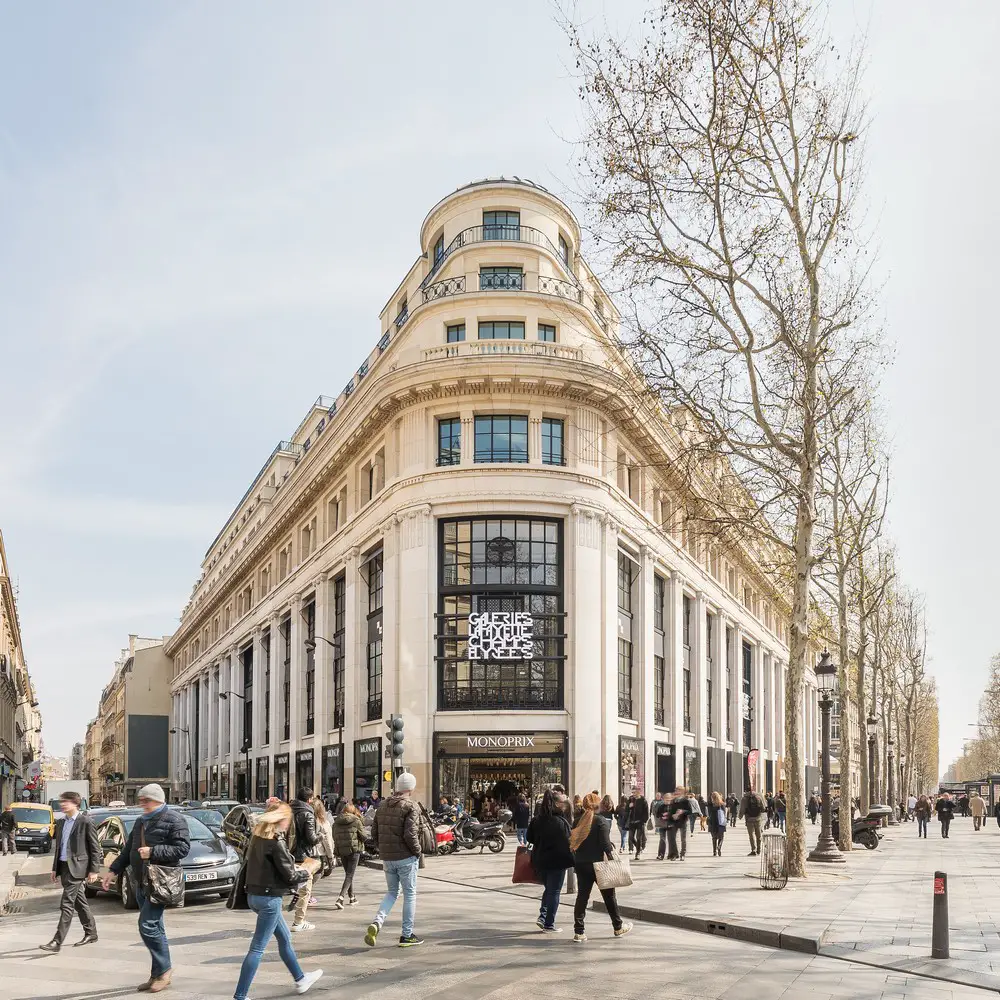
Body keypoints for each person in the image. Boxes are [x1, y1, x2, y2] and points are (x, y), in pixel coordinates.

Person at [102, 783, 189, 993]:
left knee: (147, 926)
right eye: (141, 800)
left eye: (146, 800)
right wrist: (113, 871)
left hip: (159, 883)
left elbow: (182, 848)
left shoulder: (174, 819)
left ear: (158, 800)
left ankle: (165, 971)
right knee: (156, 928)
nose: (143, 804)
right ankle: (156, 974)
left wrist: (153, 851)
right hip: (140, 882)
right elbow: (128, 850)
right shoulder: (141, 821)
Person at [233, 803, 322, 1000]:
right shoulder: (276, 842)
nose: (288, 824)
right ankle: (240, 996)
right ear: (281, 820)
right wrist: (307, 870)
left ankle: (300, 979)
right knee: (257, 949)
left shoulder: (257, 838)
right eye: (287, 819)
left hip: (254, 896)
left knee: (284, 939)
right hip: (269, 899)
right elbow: (290, 876)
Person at [364, 772, 424, 949]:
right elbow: (410, 834)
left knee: (391, 892)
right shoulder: (411, 806)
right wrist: (418, 852)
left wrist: (383, 848)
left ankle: (377, 921)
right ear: (411, 788)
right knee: (410, 894)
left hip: (387, 858)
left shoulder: (382, 805)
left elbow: (374, 832)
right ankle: (406, 935)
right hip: (405, 857)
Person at [38, 791, 101, 952]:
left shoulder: (85, 821)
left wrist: (94, 870)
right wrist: (54, 868)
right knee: (79, 902)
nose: (62, 804)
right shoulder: (61, 822)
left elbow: (95, 848)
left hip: (78, 868)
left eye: (65, 802)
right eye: (61, 801)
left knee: (66, 904)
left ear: (75, 803)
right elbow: (59, 847)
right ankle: (91, 933)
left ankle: (57, 942)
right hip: (64, 866)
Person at [569, 792, 633, 942]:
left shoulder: (577, 822)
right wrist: (613, 860)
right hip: (599, 865)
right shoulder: (600, 821)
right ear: (598, 805)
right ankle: (618, 927)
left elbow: (573, 844)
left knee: (582, 897)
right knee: (609, 896)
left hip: (581, 864)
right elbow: (605, 845)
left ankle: (579, 932)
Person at [527, 789, 573, 933]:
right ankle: (549, 924)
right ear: (558, 805)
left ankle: (543, 916)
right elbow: (568, 841)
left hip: (540, 860)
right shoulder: (561, 822)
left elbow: (529, 838)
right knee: (554, 891)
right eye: (563, 804)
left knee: (549, 890)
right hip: (557, 862)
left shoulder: (537, 820)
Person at [288, 788, 321, 932]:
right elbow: (311, 838)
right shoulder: (307, 814)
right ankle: (298, 921)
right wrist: (320, 836)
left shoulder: (289, 811)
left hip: (289, 854)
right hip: (303, 856)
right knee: (306, 890)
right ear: (309, 799)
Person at [332, 802, 365, 909]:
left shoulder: (336, 821)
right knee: (350, 875)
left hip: (342, 850)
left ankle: (352, 897)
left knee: (348, 874)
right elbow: (363, 836)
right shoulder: (356, 820)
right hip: (354, 850)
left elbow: (334, 836)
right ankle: (341, 898)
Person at [312, 797, 336, 886]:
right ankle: (306, 895)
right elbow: (327, 840)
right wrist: (330, 856)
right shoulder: (322, 822)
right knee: (318, 873)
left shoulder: (304, 818)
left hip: (304, 852)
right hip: (317, 852)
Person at [738, 787, 766, 856]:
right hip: (758, 819)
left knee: (751, 835)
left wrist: (740, 816)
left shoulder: (744, 798)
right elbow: (763, 808)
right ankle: (759, 850)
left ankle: (753, 850)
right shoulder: (759, 797)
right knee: (758, 835)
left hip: (749, 819)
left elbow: (742, 809)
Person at [666, 786, 691, 860]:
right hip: (674, 822)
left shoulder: (686, 801)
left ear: (682, 791)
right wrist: (672, 816)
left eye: (677, 790)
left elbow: (690, 811)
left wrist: (682, 811)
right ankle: (674, 854)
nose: (676, 791)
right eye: (675, 790)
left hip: (683, 821)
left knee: (683, 839)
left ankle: (682, 854)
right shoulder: (673, 801)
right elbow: (670, 811)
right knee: (672, 838)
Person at [627, 791, 649, 860]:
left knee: (639, 838)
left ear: (639, 793)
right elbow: (626, 810)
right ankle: (638, 847)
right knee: (631, 837)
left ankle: (637, 853)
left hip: (640, 822)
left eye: (635, 793)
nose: (633, 794)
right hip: (632, 822)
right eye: (633, 793)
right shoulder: (630, 799)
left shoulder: (643, 800)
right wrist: (629, 806)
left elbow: (646, 812)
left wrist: (644, 821)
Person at [707, 791, 727, 856]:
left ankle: (714, 851)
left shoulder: (710, 805)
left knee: (714, 838)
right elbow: (724, 814)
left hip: (712, 823)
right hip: (720, 823)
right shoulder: (722, 804)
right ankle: (719, 847)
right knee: (721, 837)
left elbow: (708, 814)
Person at [652, 792, 670, 860]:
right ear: (664, 799)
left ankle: (671, 854)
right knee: (662, 839)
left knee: (671, 840)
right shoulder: (660, 805)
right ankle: (661, 855)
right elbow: (657, 814)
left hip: (671, 825)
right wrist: (663, 815)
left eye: (669, 799)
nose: (668, 800)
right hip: (662, 824)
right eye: (666, 799)